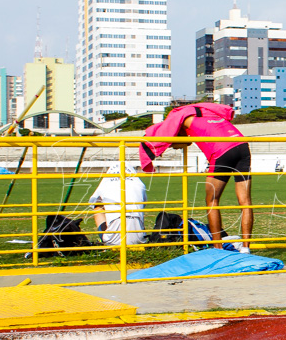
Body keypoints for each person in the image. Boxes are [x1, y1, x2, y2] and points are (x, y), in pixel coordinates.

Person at [140, 102, 253, 251]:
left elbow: (173, 137)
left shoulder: (181, 117)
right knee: (245, 202)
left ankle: (218, 248)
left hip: (221, 150)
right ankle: (246, 248)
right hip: (242, 145)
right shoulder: (207, 112)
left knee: (212, 200)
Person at [90, 164, 147, 246]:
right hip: (139, 239)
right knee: (138, 209)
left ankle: (104, 237)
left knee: (98, 208)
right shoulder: (139, 184)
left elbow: (95, 204)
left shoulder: (105, 184)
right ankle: (138, 234)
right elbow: (143, 203)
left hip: (113, 240)